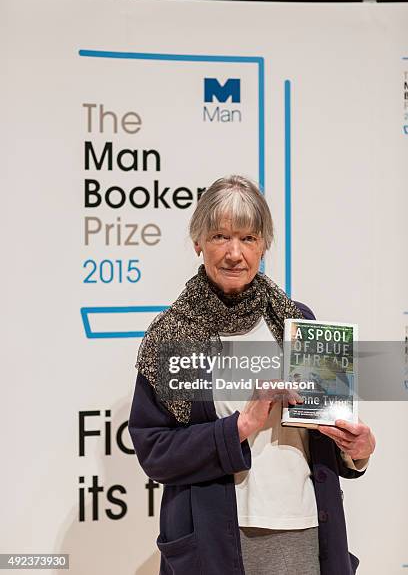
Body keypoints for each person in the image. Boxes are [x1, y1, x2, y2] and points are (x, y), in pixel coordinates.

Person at [128, 175, 375, 575]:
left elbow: (328, 434)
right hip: (216, 540)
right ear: (198, 243)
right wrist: (240, 426)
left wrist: (356, 450)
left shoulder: (299, 321)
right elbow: (155, 452)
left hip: (305, 532)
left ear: (264, 245)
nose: (234, 253)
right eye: (221, 236)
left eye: (248, 238)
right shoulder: (174, 335)